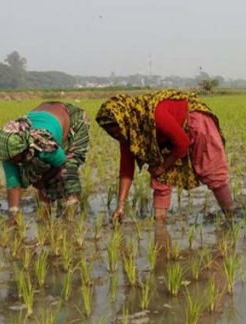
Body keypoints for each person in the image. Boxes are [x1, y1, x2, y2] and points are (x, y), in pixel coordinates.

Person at [95, 89, 233, 224]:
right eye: (111, 132)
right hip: (167, 138)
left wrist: (163, 166)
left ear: (125, 119)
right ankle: (159, 225)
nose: (116, 135)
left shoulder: (157, 115)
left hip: (195, 123)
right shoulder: (128, 132)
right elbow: (126, 170)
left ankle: (231, 216)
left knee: (212, 170)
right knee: (159, 177)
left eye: (116, 129)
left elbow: (182, 143)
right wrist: (120, 206)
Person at [0, 101, 90, 224]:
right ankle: (45, 211)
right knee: (39, 169)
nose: (11, 161)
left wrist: (43, 182)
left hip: (72, 119)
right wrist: (13, 215)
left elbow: (62, 165)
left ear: (22, 148)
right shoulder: (8, 151)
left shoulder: (43, 145)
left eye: (14, 158)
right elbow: (13, 184)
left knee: (69, 168)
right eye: (8, 158)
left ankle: (71, 216)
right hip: (48, 117)